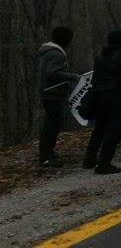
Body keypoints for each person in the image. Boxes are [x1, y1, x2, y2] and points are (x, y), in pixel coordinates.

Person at [83, 29, 121, 174]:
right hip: (115, 97)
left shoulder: (100, 57)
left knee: (99, 128)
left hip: (99, 96)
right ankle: (104, 163)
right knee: (115, 130)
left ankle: (90, 159)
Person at [36, 27, 80, 168]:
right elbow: (53, 73)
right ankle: (46, 156)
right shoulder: (56, 54)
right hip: (52, 93)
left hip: (49, 92)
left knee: (52, 124)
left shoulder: (47, 52)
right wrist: (72, 77)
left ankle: (48, 151)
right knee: (51, 125)